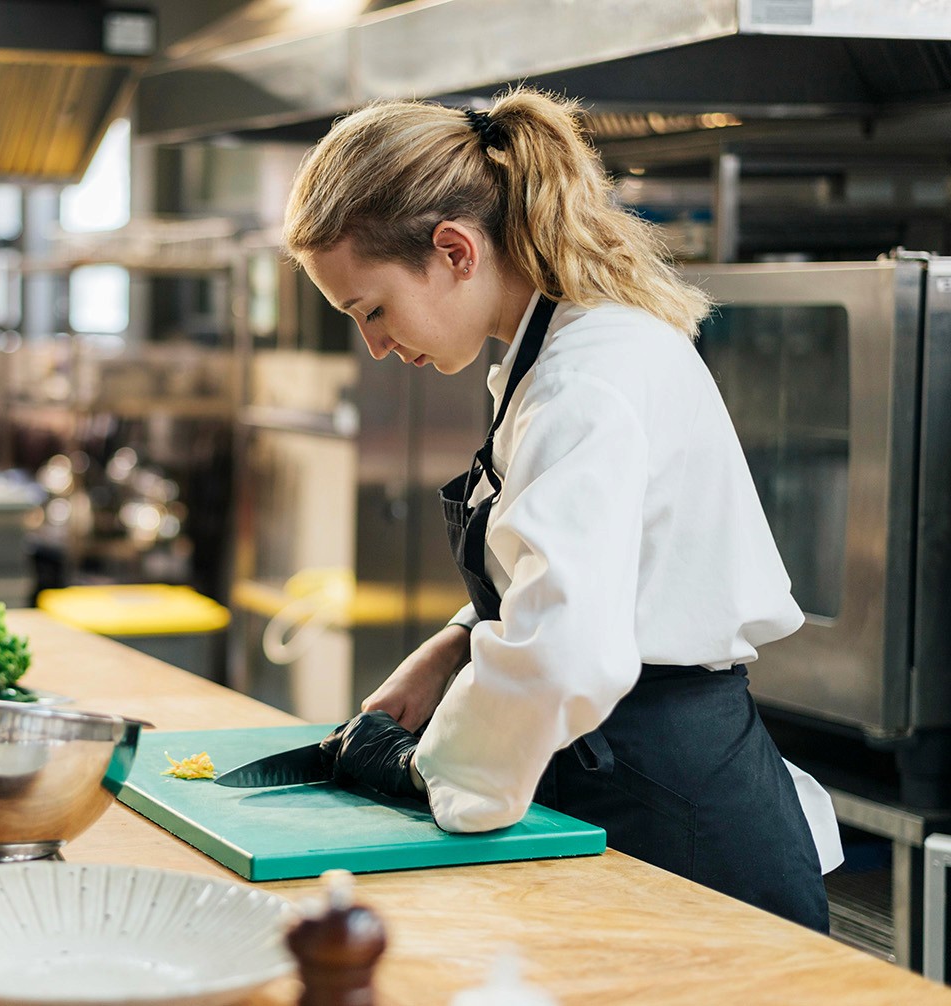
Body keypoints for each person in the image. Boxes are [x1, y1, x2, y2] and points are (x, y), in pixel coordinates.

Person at [284, 87, 842, 931]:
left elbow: (571, 651)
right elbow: (587, 572)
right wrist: (456, 643)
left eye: (372, 309)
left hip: (678, 828)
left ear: (454, 250)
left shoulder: (587, 379)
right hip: (627, 775)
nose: (376, 344)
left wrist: (428, 770)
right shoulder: (550, 353)